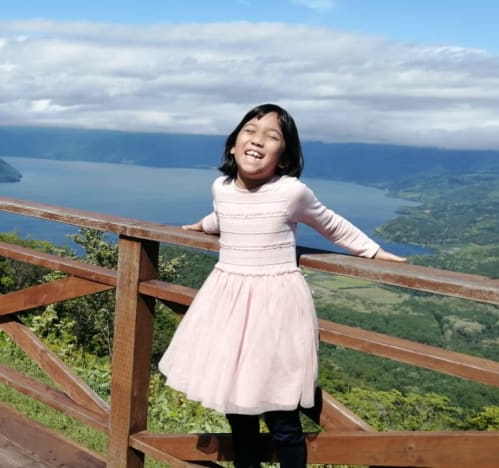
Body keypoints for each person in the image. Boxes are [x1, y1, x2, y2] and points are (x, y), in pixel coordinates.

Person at [158, 103, 406, 468]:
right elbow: (223, 214)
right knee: (237, 407)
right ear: (233, 144)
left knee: (281, 415)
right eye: (250, 130)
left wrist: (374, 251)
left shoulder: (291, 192)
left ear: (284, 157)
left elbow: (332, 224)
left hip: (275, 307)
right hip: (227, 305)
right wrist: (203, 225)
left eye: (272, 136)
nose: (258, 140)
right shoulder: (221, 187)